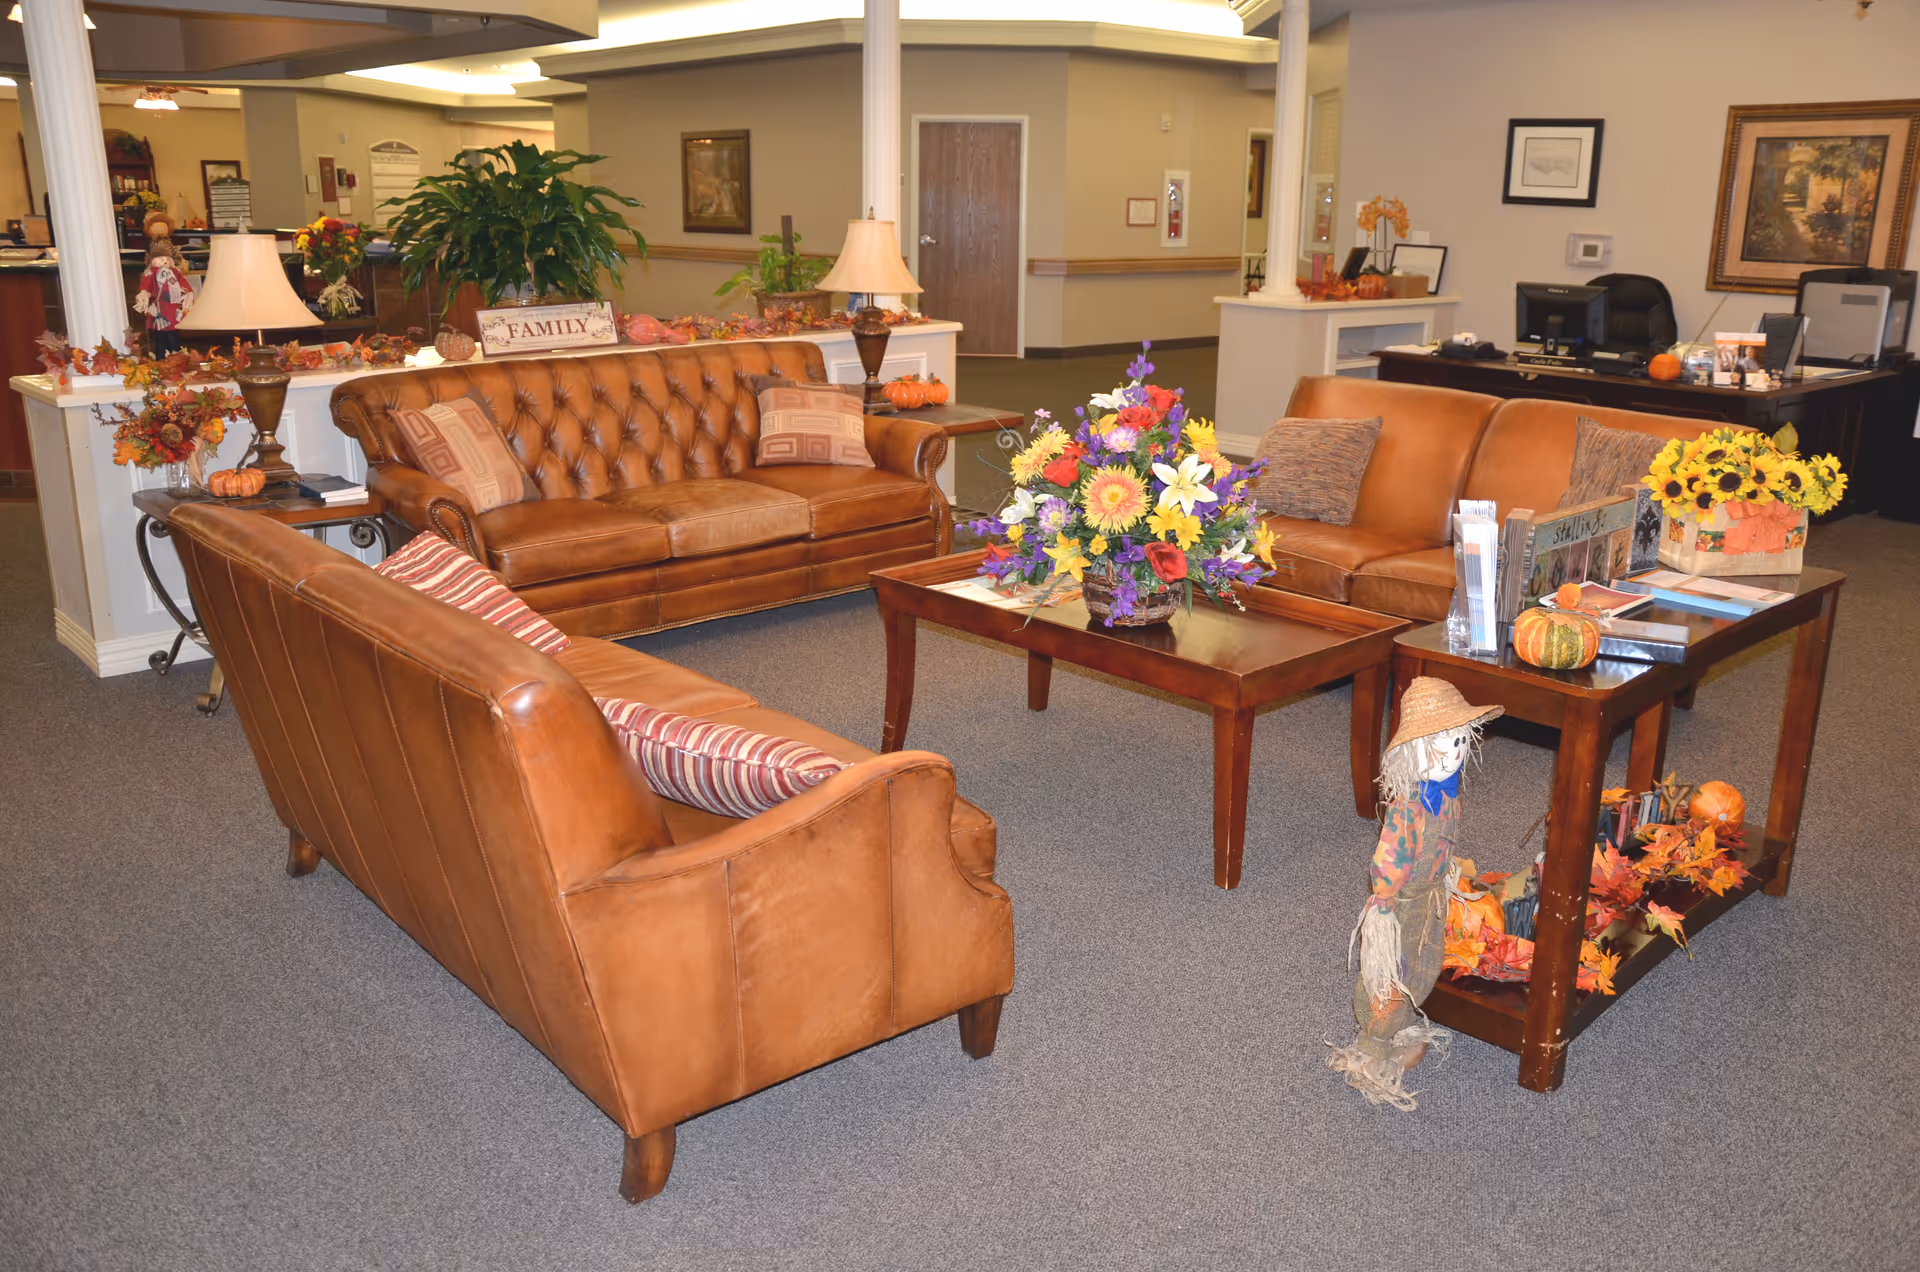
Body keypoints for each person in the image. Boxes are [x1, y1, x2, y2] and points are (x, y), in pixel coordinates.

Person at [1327, 676, 1502, 1110]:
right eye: (1440, 743)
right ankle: (1372, 1045)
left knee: (1422, 966)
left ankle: (1401, 1025)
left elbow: (1443, 848)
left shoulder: (1448, 800)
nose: (1454, 752)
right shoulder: (1408, 813)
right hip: (1400, 904)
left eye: (1461, 740)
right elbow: (1386, 864)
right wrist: (1383, 908)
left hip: (1429, 898)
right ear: (1411, 752)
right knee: (1388, 977)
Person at [133, 212, 194, 357]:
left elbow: (184, 286)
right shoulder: (150, 273)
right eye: (160, 258)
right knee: (159, 337)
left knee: (173, 335)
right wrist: (144, 294)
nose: (164, 261)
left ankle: (176, 357)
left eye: (167, 258)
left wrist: (187, 295)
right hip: (158, 309)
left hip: (172, 309)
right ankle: (161, 358)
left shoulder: (175, 273)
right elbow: (146, 286)